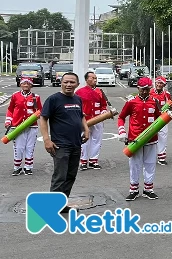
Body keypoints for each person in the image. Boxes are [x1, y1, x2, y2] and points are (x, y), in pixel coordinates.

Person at [39, 72, 89, 210]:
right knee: (60, 177)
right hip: (60, 145)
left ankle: (62, 204)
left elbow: (81, 116)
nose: (68, 84)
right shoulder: (53, 99)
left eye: (72, 82)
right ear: (61, 83)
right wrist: (46, 139)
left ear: (77, 84)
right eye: (66, 82)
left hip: (76, 144)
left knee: (70, 176)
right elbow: (43, 118)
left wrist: (86, 129)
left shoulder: (78, 99)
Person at [118, 77, 162, 201]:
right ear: (138, 88)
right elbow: (121, 117)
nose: (144, 92)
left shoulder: (154, 102)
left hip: (151, 138)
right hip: (135, 138)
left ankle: (148, 189)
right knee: (135, 165)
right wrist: (122, 131)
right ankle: (134, 189)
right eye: (142, 89)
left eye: (147, 90)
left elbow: (160, 118)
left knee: (150, 163)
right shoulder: (131, 102)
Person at [5, 77, 42, 176]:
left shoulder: (36, 97)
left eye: (28, 84)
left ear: (31, 85)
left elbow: (40, 110)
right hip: (17, 126)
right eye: (24, 83)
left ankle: (28, 167)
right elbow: (10, 110)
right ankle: (17, 167)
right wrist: (8, 121)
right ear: (20, 85)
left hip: (32, 126)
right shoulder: (15, 96)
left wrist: (35, 115)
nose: (26, 85)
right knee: (19, 147)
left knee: (30, 147)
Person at [76, 71, 108, 171]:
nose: (95, 79)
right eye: (92, 78)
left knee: (97, 140)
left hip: (98, 119)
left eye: (95, 78)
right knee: (85, 139)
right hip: (86, 119)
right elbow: (77, 105)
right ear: (86, 79)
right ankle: (83, 161)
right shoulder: (79, 92)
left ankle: (94, 160)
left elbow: (104, 104)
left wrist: (103, 111)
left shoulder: (100, 91)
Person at [150, 76, 172, 165]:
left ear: (164, 84)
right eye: (157, 83)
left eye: (161, 83)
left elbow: (170, 104)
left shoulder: (166, 94)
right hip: (152, 117)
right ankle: (149, 156)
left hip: (163, 118)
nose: (159, 85)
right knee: (150, 137)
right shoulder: (150, 92)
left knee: (163, 137)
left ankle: (161, 157)